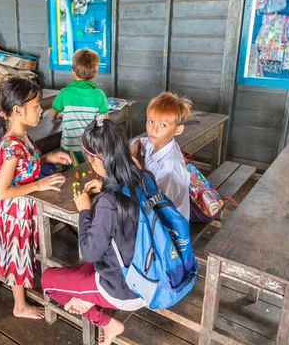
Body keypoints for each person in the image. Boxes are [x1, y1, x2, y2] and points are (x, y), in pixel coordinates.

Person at [41, 117, 146, 345]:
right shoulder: (143, 176)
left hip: (123, 289)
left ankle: (108, 323)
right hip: (148, 274)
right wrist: (107, 184)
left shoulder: (108, 202)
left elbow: (90, 252)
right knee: (91, 263)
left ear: (96, 161)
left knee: (48, 281)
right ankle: (86, 297)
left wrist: (84, 210)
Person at [0, 78, 71, 319]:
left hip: (26, 206)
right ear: (17, 111)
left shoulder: (23, 137)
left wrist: (48, 158)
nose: (40, 110)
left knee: (24, 250)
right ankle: (19, 306)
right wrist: (39, 184)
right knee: (18, 254)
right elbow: (1, 192)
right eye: (36, 105)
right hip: (16, 211)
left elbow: (26, 166)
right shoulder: (12, 145)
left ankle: (22, 298)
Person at [130, 93, 192, 221]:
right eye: (151, 121)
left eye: (163, 125)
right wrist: (134, 147)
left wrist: (138, 174)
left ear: (178, 130)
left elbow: (153, 205)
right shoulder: (157, 143)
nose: (153, 130)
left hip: (167, 225)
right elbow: (141, 141)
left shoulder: (171, 168)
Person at [50, 48, 109, 167]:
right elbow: (104, 121)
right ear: (95, 73)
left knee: (72, 176)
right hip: (91, 147)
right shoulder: (99, 95)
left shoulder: (64, 93)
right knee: (89, 173)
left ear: (73, 71)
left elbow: (52, 115)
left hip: (69, 147)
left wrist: (63, 114)